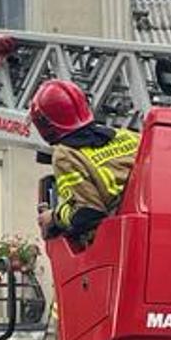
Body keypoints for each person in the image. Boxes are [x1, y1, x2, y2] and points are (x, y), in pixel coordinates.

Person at [31, 79, 139, 249]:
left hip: (118, 245)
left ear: (44, 124)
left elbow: (88, 213)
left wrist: (52, 217)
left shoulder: (66, 155)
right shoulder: (129, 136)